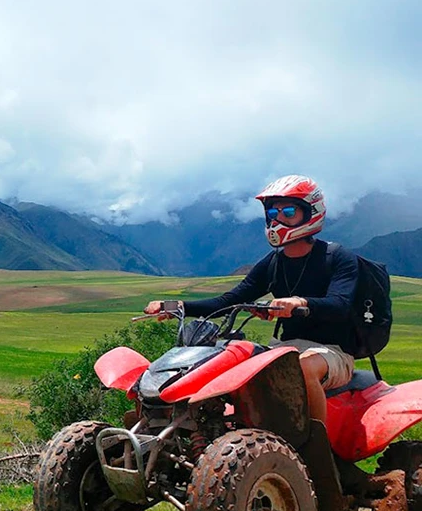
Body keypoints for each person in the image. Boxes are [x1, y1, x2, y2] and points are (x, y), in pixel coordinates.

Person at [144, 175, 358, 424]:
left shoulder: (337, 257)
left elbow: (340, 304)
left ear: (311, 213)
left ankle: (315, 449)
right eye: (272, 213)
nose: (278, 220)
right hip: (283, 347)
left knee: (302, 368)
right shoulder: (273, 263)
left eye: (288, 212)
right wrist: (177, 306)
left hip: (332, 352)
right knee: (227, 362)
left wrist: (300, 302)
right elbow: (229, 300)